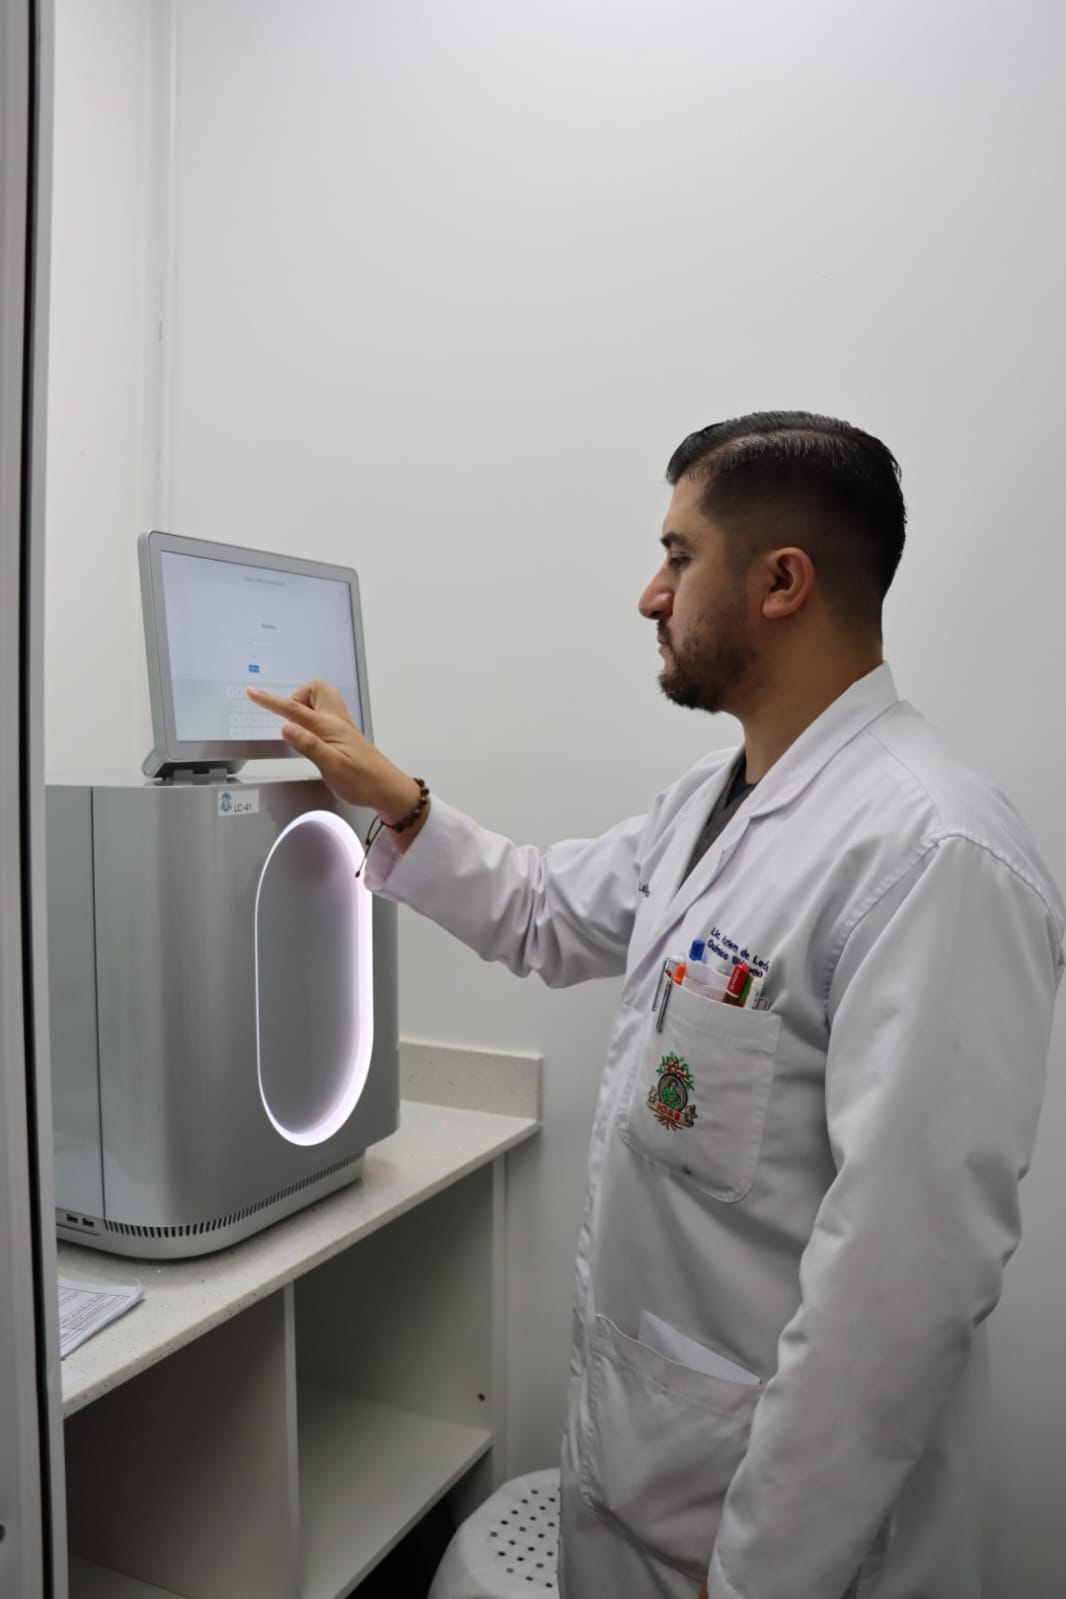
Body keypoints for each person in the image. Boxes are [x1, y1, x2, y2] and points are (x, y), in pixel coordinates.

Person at [249, 411, 1064, 1599]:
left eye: (679, 556)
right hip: (650, 1476)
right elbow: (545, 911)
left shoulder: (933, 855)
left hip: (781, 1546)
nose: (650, 594)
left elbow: (896, 1301)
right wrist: (399, 800)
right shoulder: (712, 804)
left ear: (781, 582)